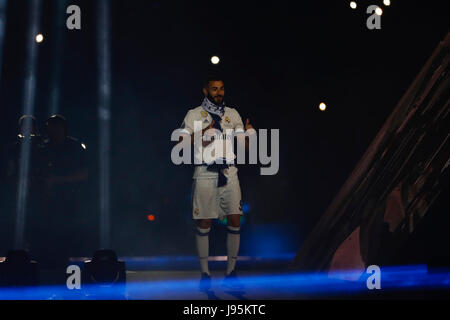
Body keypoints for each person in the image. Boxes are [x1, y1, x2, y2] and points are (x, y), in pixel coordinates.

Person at [179, 75, 254, 290]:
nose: (219, 92)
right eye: (214, 89)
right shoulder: (194, 114)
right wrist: (202, 131)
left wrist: (249, 132)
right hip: (205, 173)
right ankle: (205, 274)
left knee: (235, 220)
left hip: (229, 173)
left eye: (221, 88)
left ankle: (231, 273)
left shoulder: (232, 114)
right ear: (205, 91)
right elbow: (180, 142)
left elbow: (245, 147)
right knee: (204, 223)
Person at [32, 114, 89, 269]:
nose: (52, 132)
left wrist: (57, 180)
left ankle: (70, 276)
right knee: (47, 244)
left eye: (56, 128)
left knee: (68, 243)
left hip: (69, 203)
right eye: (50, 128)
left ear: (63, 129)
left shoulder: (74, 147)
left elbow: (84, 173)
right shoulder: (43, 147)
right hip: (45, 204)